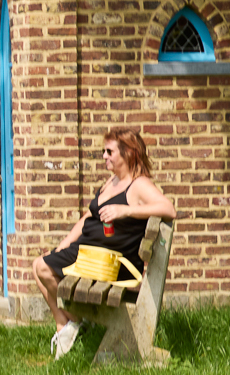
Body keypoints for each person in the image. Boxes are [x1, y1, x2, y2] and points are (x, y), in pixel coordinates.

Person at [34, 125, 177, 360]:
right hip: (91, 255)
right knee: (39, 265)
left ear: (129, 153)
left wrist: (125, 210)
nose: (104, 156)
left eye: (110, 152)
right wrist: (65, 242)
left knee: (41, 267)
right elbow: (89, 217)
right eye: (104, 151)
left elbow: (168, 209)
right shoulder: (111, 182)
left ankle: (71, 325)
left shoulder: (139, 185)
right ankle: (67, 325)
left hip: (110, 263)